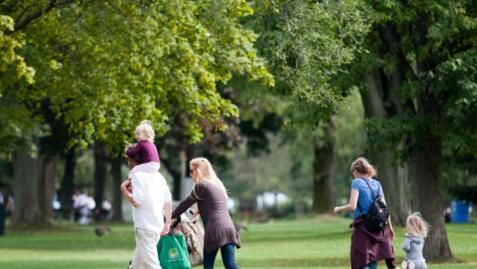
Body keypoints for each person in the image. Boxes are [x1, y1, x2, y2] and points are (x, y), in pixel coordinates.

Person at [172, 157, 241, 269]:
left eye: (191, 171)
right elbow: (216, 206)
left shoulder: (200, 186)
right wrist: (200, 211)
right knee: (230, 264)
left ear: (198, 171)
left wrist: (169, 217)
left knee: (208, 266)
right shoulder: (217, 185)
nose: (190, 174)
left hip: (214, 230)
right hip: (229, 228)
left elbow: (184, 204)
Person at [334, 157, 396, 269]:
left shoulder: (356, 182)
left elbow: (352, 206)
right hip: (377, 228)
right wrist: (390, 228)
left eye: (353, 172)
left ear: (356, 171)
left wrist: (338, 209)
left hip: (363, 227)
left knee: (360, 259)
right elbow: (384, 209)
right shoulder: (377, 184)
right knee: (373, 258)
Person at [121, 155, 172, 269]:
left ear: (133, 161)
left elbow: (137, 202)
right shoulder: (159, 176)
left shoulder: (137, 176)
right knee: (136, 265)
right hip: (157, 226)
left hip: (145, 228)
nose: (128, 163)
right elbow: (168, 201)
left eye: (128, 160)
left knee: (152, 265)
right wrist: (167, 222)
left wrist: (124, 191)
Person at [124, 120, 161, 193]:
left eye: (138, 134)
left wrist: (127, 151)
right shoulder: (152, 144)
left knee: (133, 171)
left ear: (146, 135)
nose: (136, 136)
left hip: (149, 164)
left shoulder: (141, 143)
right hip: (157, 165)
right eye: (136, 134)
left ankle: (130, 186)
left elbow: (133, 152)